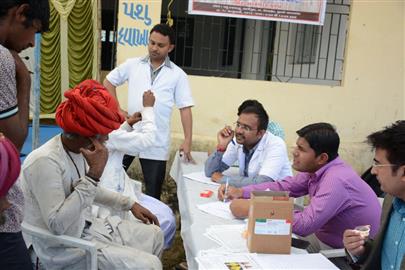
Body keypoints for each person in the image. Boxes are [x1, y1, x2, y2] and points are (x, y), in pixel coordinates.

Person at [20, 80, 164, 270]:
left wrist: (129, 203)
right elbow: (57, 225)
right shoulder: (45, 162)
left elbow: (87, 190)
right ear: (85, 135)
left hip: (87, 227)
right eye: (102, 134)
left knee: (154, 234)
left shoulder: (78, 149)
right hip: (60, 249)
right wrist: (94, 175)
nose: (106, 139)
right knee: (150, 265)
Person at [219, 123, 381, 251]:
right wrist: (240, 192)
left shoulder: (336, 180)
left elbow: (304, 225)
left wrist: (254, 207)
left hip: (339, 254)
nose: (294, 152)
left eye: (301, 149)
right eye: (297, 146)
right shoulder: (317, 169)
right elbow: (283, 186)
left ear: (322, 158)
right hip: (320, 237)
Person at [104, 23, 194, 200]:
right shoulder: (133, 65)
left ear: (171, 47)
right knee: (110, 180)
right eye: (152, 43)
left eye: (160, 45)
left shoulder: (178, 75)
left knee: (153, 192)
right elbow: (108, 82)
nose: (154, 48)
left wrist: (188, 140)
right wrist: (118, 110)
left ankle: (150, 225)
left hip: (156, 141)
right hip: (129, 135)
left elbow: (185, 108)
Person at [0, 1, 50, 269]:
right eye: (35, 30)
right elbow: (14, 140)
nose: (32, 43)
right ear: (20, 13)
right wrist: (25, 81)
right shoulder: (2, 59)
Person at [96, 90, 176, 249]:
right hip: (114, 200)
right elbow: (147, 140)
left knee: (164, 213)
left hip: (119, 191)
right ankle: (147, 251)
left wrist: (128, 124)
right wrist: (148, 109)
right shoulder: (105, 135)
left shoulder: (103, 132)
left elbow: (115, 136)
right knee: (164, 220)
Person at [343, 121, 405, 269]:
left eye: (378, 164)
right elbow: (385, 254)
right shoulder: (391, 200)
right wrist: (360, 249)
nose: (372, 171)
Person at [204, 99, 292, 187]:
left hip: (277, 197)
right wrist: (222, 147)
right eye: (238, 125)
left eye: (246, 128)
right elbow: (210, 172)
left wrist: (224, 180)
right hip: (250, 195)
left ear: (260, 133)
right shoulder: (237, 141)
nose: (238, 131)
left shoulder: (276, 145)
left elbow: (262, 183)